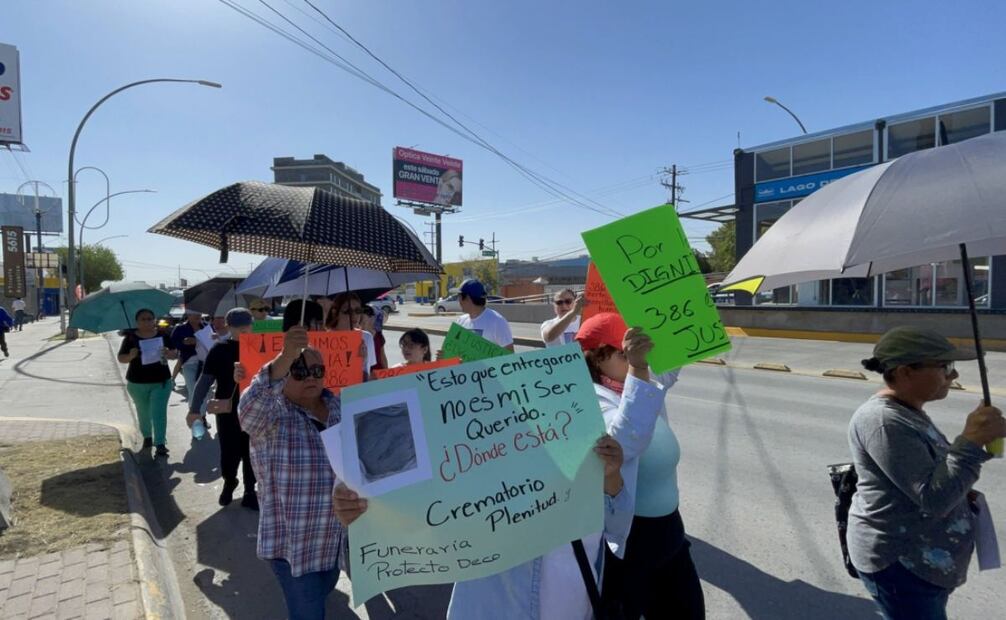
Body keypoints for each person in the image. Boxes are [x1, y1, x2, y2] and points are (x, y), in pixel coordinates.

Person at [334, 433, 630, 619]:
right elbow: (419, 509)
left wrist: (612, 477)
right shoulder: (476, 479)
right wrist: (359, 510)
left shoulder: (584, 468)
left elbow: (618, 527)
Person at [849, 326, 1006, 619]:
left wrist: (979, 444)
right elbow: (934, 498)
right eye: (945, 367)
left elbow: (937, 470)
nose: (953, 375)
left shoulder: (908, 410)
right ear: (906, 372)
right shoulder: (883, 421)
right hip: (902, 564)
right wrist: (971, 441)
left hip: (925, 562)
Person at [577, 312, 704, 619]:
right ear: (596, 358)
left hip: (669, 532)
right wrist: (638, 366)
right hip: (631, 542)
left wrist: (681, 312)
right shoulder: (593, 399)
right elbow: (625, 442)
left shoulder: (638, 384)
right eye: (623, 353)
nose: (633, 357)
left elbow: (671, 365)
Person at [237, 325, 344, 619]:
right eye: (299, 371)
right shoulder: (271, 417)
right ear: (284, 376)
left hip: (335, 542)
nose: (310, 377)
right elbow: (249, 409)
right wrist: (286, 356)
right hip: (294, 549)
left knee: (320, 597)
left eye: (317, 370)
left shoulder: (341, 407)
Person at [189, 308, 258, 509]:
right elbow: (204, 381)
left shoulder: (258, 346)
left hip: (255, 408)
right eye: (239, 326)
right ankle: (229, 482)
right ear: (229, 327)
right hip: (228, 409)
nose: (244, 330)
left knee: (251, 451)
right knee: (229, 450)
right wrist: (195, 409)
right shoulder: (219, 349)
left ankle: (249, 490)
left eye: (246, 325)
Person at [117, 308, 179, 457]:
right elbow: (121, 358)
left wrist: (169, 353)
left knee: (159, 412)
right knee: (143, 412)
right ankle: (147, 437)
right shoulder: (130, 338)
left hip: (161, 381)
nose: (147, 322)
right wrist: (131, 356)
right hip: (137, 383)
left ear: (154, 320)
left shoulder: (163, 335)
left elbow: (175, 353)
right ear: (137, 322)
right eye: (143, 319)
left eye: (150, 318)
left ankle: (160, 443)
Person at [325, 292, 377, 378]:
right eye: (348, 311)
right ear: (335, 312)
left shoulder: (366, 337)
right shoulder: (323, 340)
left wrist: (362, 362)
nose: (354, 315)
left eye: (358, 311)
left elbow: (369, 373)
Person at [455, 279, 513, 351]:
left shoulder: (497, 321)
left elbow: (509, 355)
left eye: (459, 297)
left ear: (467, 298)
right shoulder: (460, 321)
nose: (458, 301)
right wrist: (444, 356)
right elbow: (455, 350)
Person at [170, 310, 206, 403]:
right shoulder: (180, 328)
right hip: (189, 363)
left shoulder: (206, 327)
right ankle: (195, 415)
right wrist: (183, 343)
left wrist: (197, 341)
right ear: (188, 315)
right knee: (193, 391)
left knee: (204, 393)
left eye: (199, 313)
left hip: (206, 365)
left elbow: (213, 344)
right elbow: (173, 344)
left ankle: (201, 415)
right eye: (194, 313)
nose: (197, 315)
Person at [360, 305, 387, 371]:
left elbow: (382, 356)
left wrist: (387, 372)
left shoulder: (378, 335)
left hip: (378, 373)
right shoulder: (356, 336)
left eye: (364, 322)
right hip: (365, 374)